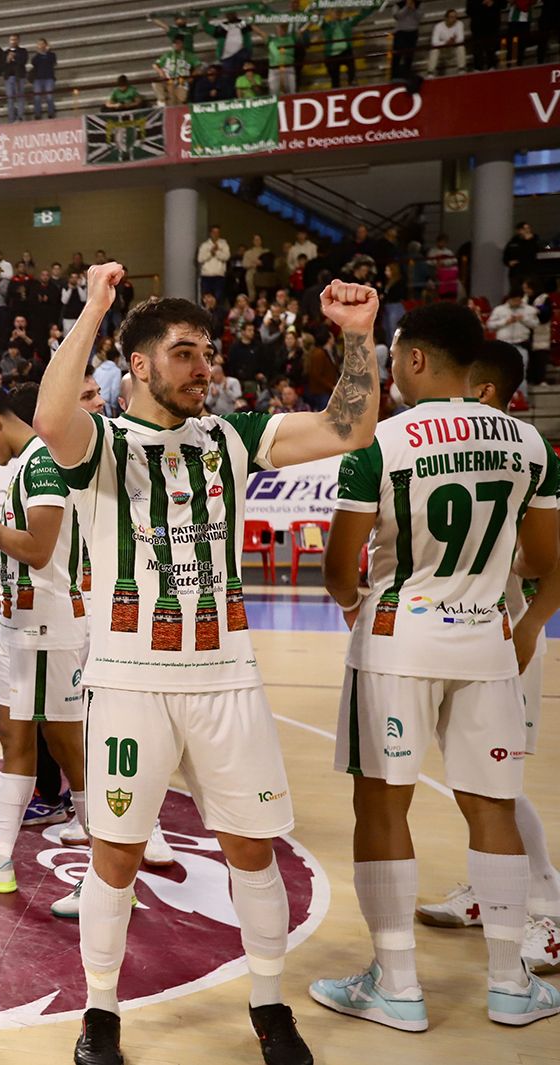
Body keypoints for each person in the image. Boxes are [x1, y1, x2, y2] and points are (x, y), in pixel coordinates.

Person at [34, 262, 382, 1065]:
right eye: (187, 353)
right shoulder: (102, 444)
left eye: (209, 352)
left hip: (227, 676)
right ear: (144, 366)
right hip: (128, 681)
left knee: (251, 848)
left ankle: (269, 1005)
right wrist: (93, 310)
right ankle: (101, 1012)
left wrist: (358, 339)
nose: (206, 368)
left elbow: (347, 429)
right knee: (114, 854)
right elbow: (53, 414)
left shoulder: (230, 435)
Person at [310, 307, 560, 1033]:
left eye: (393, 356)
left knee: (383, 806)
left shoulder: (379, 444)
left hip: (397, 639)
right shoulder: (530, 442)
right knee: (493, 805)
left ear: (416, 360)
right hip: (487, 639)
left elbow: (336, 567)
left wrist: (356, 603)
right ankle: (512, 983)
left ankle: (397, 983)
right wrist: (521, 621)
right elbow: (544, 564)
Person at [414, 340, 560, 972]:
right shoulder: (456, 452)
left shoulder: (520, 454)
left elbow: (547, 559)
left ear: (484, 394)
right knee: (473, 778)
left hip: (506, 634)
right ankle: (489, 889)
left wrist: (530, 625)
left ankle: (547, 909)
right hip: (463, 635)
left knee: (500, 785)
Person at [0, 385, 93, 896]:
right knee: (12, 736)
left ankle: (109, 872)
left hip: (49, 627)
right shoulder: (24, 466)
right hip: (18, 622)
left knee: (68, 746)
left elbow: (38, 549)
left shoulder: (43, 464)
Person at [153, 37, 196, 104]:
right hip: (168, 80)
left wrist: (192, 77)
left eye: (178, 43)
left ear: (183, 44)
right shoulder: (168, 55)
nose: (176, 45)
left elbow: (199, 67)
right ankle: (162, 101)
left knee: (180, 100)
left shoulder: (189, 55)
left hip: (182, 81)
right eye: (175, 43)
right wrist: (161, 74)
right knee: (156, 83)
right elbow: (155, 65)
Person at [198, 224, 231, 303]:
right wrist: (211, 253)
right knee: (205, 298)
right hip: (207, 276)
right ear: (210, 233)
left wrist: (217, 252)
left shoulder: (223, 244)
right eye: (214, 232)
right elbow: (200, 259)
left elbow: (226, 257)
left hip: (219, 276)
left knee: (218, 298)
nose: (215, 234)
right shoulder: (204, 245)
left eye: (217, 232)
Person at [428, 8, 467, 73]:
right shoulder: (438, 26)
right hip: (443, 50)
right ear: (446, 18)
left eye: (455, 17)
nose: (454, 19)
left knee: (461, 47)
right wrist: (446, 42)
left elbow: (461, 39)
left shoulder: (460, 24)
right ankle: (430, 72)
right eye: (451, 17)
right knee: (434, 49)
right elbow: (434, 42)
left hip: (453, 48)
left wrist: (452, 42)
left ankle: (461, 69)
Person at [505, 222, 542, 290]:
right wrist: (508, 262)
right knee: (516, 291)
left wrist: (529, 241)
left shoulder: (535, 240)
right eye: (524, 228)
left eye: (528, 228)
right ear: (519, 230)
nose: (527, 230)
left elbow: (535, 252)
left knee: (530, 290)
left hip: (529, 272)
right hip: (515, 272)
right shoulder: (513, 242)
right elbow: (506, 255)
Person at [2, 34, 29, 123]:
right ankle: (11, 118)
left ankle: (20, 117)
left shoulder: (22, 51)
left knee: (20, 97)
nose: (13, 41)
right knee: (10, 99)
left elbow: (23, 61)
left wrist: (14, 58)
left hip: (19, 77)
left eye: (15, 39)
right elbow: (2, 65)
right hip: (9, 78)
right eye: (11, 40)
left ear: (18, 41)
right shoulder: (5, 53)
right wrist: (7, 60)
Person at [392, 0, 422, 78]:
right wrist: (406, 7)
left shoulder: (418, 4)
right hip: (400, 33)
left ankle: (407, 74)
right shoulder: (398, 5)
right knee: (397, 55)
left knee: (409, 56)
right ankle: (394, 76)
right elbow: (397, 17)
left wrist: (414, 9)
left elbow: (419, 17)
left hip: (413, 33)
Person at [29, 38, 57, 120]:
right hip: (38, 79)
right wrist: (39, 53)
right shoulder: (36, 57)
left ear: (46, 45)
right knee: (37, 97)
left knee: (49, 96)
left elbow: (53, 62)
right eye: (39, 44)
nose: (41, 46)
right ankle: (37, 114)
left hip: (49, 78)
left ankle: (51, 113)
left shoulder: (51, 55)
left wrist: (47, 52)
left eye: (42, 44)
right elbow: (33, 63)